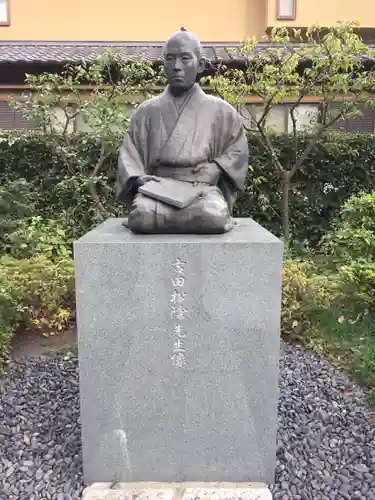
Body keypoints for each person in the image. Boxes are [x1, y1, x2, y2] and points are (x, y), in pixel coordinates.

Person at [116, 29, 249, 234]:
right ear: (164, 65)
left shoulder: (222, 111)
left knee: (213, 216)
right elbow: (129, 154)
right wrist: (139, 179)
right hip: (157, 190)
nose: (177, 66)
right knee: (141, 217)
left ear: (201, 65)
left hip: (201, 190)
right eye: (170, 59)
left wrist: (217, 168)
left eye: (185, 59)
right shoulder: (146, 111)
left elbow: (237, 150)